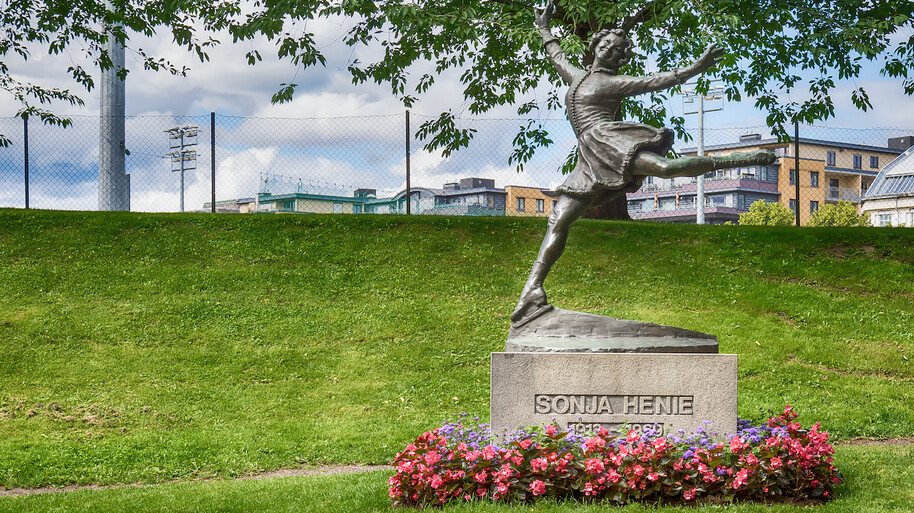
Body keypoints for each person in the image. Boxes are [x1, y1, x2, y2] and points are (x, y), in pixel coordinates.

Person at [512, 3, 776, 326]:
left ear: (620, 59)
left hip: (612, 142)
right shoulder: (578, 77)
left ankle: (734, 159)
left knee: (665, 169)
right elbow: (556, 56)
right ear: (595, 47)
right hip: (589, 158)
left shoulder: (615, 83)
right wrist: (543, 28)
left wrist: (697, 67)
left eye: (616, 50)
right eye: (605, 45)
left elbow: (659, 81)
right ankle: (532, 290)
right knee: (558, 219)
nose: (609, 51)